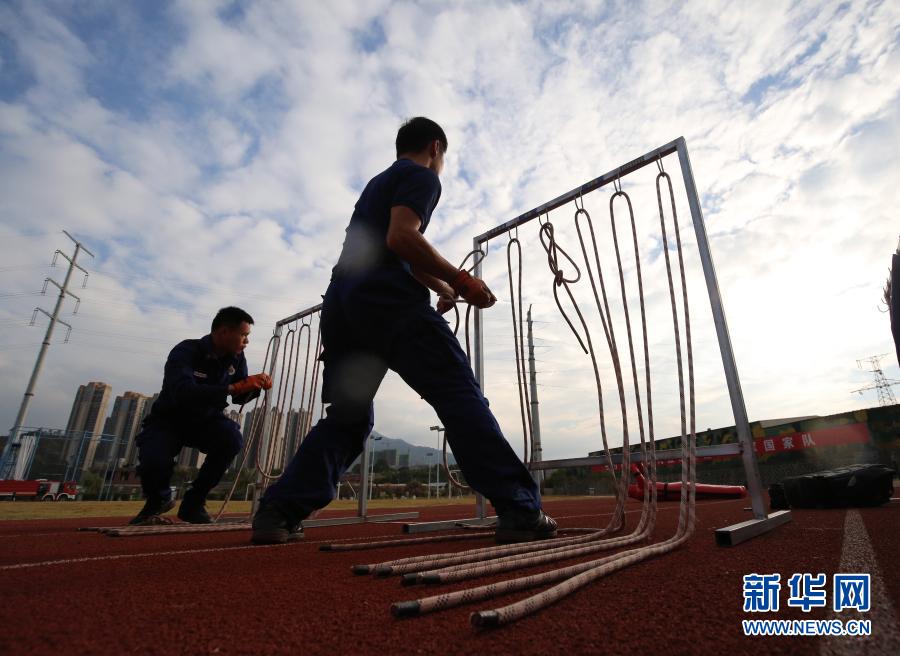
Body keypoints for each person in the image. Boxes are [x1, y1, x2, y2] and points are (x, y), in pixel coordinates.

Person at [252, 117, 556, 544]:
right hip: (387, 303)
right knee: (458, 394)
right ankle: (520, 507)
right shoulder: (421, 176)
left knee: (348, 420)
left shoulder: (376, 186)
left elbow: (400, 250)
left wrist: (445, 286)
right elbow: (402, 238)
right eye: (443, 158)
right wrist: (465, 281)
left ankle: (277, 512)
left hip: (343, 306)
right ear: (435, 148)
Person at [129, 306, 272, 525]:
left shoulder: (236, 358)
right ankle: (159, 499)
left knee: (231, 437)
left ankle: (193, 504)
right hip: (169, 419)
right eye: (244, 335)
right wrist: (234, 388)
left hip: (206, 420)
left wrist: (254, 386)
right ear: (224, 332)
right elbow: (183, 392)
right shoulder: (186, 351)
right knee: (154, 458)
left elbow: (238, 396)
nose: (246, 341)